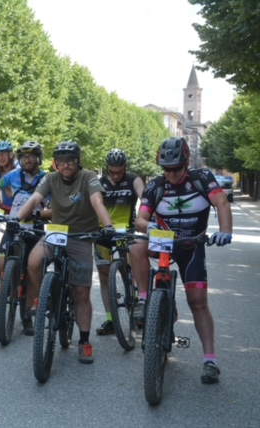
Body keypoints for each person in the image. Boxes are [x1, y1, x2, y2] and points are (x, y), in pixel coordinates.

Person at [135, 137, 232, 384]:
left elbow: (221, 201)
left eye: (176, 168)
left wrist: (225, 231)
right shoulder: (156, 185)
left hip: (192, 244)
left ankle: (210, 360)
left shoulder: (201, 178)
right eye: (166, 169)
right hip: (165, 241)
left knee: (198, 301)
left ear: (186, 163)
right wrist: (148, 225)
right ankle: (145, 300)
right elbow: (140, 219)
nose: (171, 174)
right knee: (135, 245)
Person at [16, 141, 114, 364]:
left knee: (81, 292)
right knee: (34, 261)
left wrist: (107, 226)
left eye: (70, 161)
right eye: (61, 161)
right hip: (56, 232)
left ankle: (84, 341)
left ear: (78, 162)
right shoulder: (51, 178)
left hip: (81, 235)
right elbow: (35, 199)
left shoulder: (88, 177)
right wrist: (16, 219)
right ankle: (43, 298)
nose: (66, 165)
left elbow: (97, 201)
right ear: (55, 164)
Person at [0, 140, 49, 320]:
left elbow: (55, 206)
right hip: (13, 226)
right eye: (24, 157)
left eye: (31, 157)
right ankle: (6, 288)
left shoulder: (47, 179)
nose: (27, 160)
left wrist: (41, 215)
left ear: (39, 158)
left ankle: (27, 316)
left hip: (35, 229)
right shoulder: (12, 175)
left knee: (32, 271)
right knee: (1, 260)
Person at [94, 149, 150, 335]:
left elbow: (144, 197)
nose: (116, 175)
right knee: (104, 274)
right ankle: (111, 319)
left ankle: (137, 303)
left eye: (119, 171)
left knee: (130, 268)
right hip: (103, 232)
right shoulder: (100, 183)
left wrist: (147, 215)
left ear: (125, 168)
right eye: (112, 171)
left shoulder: (133, 179)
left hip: (126, 231)